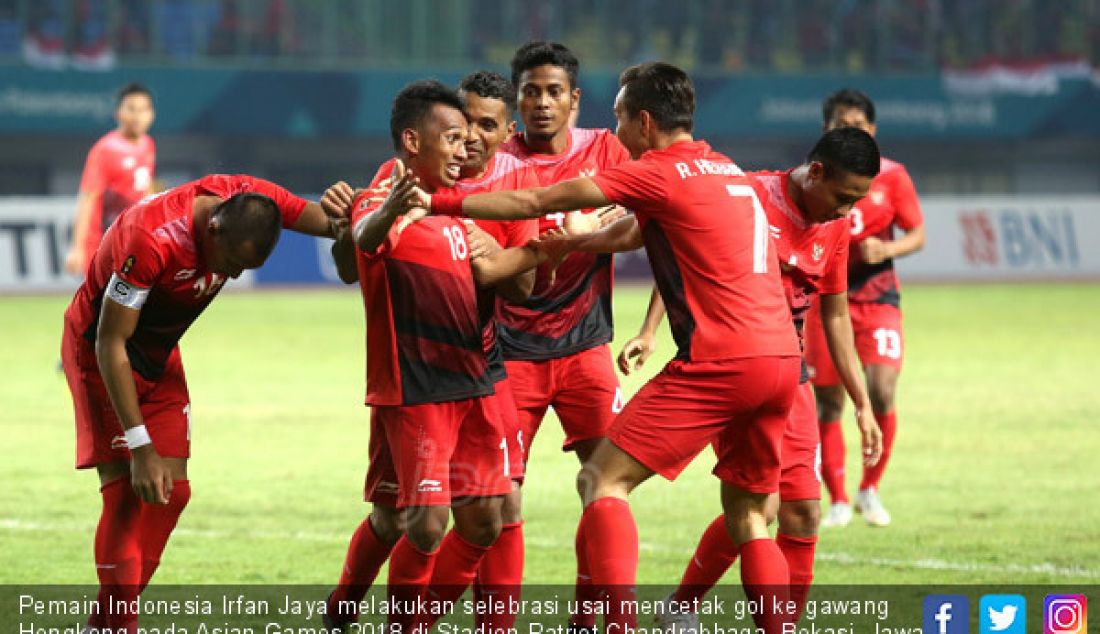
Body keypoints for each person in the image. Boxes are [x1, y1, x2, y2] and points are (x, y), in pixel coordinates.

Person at [422, 61, 801, 634]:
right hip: (782, 362)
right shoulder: (729, 171)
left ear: (643, 121)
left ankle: (617, 621)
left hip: (719, 362)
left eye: (622, 116)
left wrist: (440, 205)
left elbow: (534, 204)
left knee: (601, 481)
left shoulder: (656, 171)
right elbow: (637, 232)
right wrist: (584, 241)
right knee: (750, 514)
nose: (617, 128)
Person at [618, 128, 885, 631]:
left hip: (789, 374)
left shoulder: (835, 227)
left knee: (801, 512)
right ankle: (690, 608)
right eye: (843, 197)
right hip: (731, 362)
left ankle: (699, 610)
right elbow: (685, 253)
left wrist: (862, 403)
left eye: (857, 201)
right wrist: (649, 330)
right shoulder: (748, 193)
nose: (846, 210)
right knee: (760, 506)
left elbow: (836, 316)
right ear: (817, 171)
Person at [61, 174, 347, 633]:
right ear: (213, 229)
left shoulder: (250, 198)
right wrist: (140, 446)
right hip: (102, 355)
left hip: (157, 354)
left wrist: (360, 208)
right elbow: (110, 340)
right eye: (231, 262)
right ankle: (118, 624)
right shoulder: (151, 237)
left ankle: (108, 622)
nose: (230, 275)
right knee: (127, 495)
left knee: (173, 492)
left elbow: (331, 222)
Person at [325, 80, 559, 634]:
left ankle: (383, 615)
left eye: (474, 134)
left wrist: (544, 248)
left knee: (483, 520)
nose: (464, 148)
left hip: (477, 382)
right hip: (417, 389)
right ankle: (367, 616)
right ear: (413, 141)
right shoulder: (386, 194)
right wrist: (387, 215)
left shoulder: (463, 204)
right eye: (453, 136)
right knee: (421, 524)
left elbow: (519, 284)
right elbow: (363, 236)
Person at [498, 42, 632, 629]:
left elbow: (652, 211)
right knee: (499, 501)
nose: (542, 102)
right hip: (507, 356)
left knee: (604, 486)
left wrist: (589, 231)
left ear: (574, 100)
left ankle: (594, 620)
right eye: (531, 91)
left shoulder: (608, 148)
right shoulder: (496, 161)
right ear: (516, 99)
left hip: (586, 349)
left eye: (554, 91)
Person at [807, 89, 926, 528]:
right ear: (826, 129)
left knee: (882, 390)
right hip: (825, 299)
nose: (850, 132)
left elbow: (917, 233)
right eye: (841, 125)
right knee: (828, 402)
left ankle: (869, 490)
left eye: (857, 126)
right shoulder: (814, 176)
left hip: (877, 294)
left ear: (872, 130)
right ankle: (837, 499)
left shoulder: (893, 177)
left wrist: (887, 247)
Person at [66, 82, 156, 276]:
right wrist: (77, 247)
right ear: (118, 113)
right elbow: (87, 199)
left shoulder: (148, 145)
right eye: (131, 109)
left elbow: (145, 190)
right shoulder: (105, 150)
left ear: (152, 114)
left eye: (143, 109)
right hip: (103, 243)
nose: (138, 116)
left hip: (132, 241)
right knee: (101, 303)